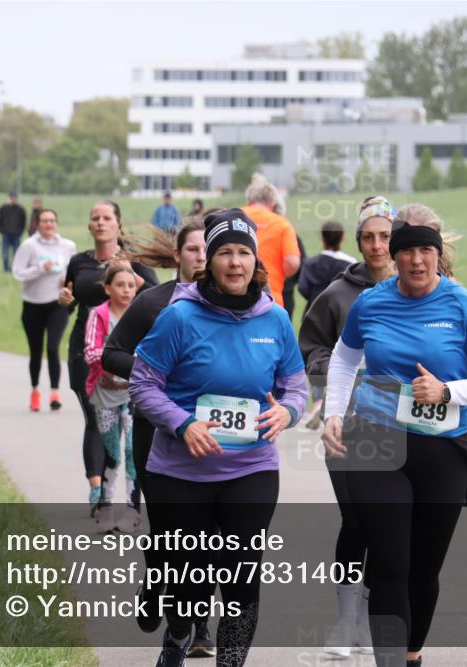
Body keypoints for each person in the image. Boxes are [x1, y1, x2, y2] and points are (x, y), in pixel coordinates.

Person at [322, 219, 467, 667]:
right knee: (390, 562)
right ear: (394, 257)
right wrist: (333, 411)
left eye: (426, 251)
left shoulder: (464, 305)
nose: (417, 260)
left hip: (442, 449)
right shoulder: (371, 303)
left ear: (437, 256)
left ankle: (411, 655)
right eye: (407, 252)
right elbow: (345, 360)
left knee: (424, 570)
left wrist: (448, 391)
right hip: (376, 439)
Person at [129, 209, 307, 667]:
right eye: (224, 252)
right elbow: (142, 385)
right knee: (190, 573)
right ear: (209, 260)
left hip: (251, 467)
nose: (235, 263)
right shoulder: (179, 317)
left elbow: (297, 386)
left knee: (242, 574)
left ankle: (231, 662)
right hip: (179, 471)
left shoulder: (276, 320)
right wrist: (183, 424)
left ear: (255, 260)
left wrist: (286, 412)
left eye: (243, 253)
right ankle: (180, 632)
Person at [101, 219, 215, 655]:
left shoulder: (235, 307)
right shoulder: (154, 303)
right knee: (172, 532)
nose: (201, 257)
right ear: (178, 256)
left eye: (209, 249)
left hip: (214, 435)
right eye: (193, 250)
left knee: (210, 535)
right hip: (157, 431)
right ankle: (154, 585)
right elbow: (113, 353)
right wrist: (154, 372)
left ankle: (197, 626)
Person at [298, 195, 397, 656]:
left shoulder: (420, 287)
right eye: (369, 238)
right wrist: (339, 374)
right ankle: (344, 623)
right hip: (349, 428)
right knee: (356, 522)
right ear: (358, 242)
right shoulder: (337, 294)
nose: (377, 246)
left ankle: (373, 623)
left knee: (390, 527)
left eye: (385, 236)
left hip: (405, 429)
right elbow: (311, 346)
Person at [59, 201, 158, 511]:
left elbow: (157, 300)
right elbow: (70, 300)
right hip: (85, 351)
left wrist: (136, 284)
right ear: (89, 226)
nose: (100, 223)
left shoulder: (135, 262)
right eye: (95, 218)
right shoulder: (78, 262)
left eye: (107, 218)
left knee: (132, 434)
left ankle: (131, 502)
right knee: (94, 420)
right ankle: (97, 489)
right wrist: (64, 300)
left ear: (118, 224)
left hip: (128, 355)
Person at [84, 263, 139, 532]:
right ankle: (105, 507)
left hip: (134, 393)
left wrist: (127, 367)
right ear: (108, 288)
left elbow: (147, 352)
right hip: (105, 393)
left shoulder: (141, 315)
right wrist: (112, 363)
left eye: (131, 285)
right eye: (120, 285)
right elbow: (90, 353)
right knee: (113, 453)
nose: (126, 290)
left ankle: (132, 510)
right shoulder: (99, 315)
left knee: (132, 450)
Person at [12, 208, 76, 411]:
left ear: (56, 223)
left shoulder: (67, 246)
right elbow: (18, 273)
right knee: (36, 351)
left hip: (57, 304)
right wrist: (39, 269)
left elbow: (74, 272)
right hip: (33, 305)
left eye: (52, 221)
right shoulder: (29, 246)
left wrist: (66, 280)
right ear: (37, 224)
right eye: (44, 221)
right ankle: (35, 391)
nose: (49, 224)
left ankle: (55, 392)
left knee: (53, 348)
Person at [241, 173, 301, 307]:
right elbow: (292, 263)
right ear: (272, 202)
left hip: (233, 296)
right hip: (270, 298)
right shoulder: (282, 224)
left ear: (249, 200)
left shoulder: (233, 217)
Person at [298, 220, 357, 319]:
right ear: (342, 238)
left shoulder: (309, 263)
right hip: (340, 315)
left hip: (312, 313)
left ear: (322, 238)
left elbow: (302, 287)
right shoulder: (351, 264)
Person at [0, 192, 27, 271]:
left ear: (17, 199)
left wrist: (20, 232)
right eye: (12, 198)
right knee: (5, 253)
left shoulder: (21, 209)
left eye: (15, 198)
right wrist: (1, 230)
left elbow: (23, 222)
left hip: (16, 235)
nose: (13, 199)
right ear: (9, 198)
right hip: (6, 235)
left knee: (16, 253)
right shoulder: (3, 208)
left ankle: (14, 268)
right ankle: (6, 268)